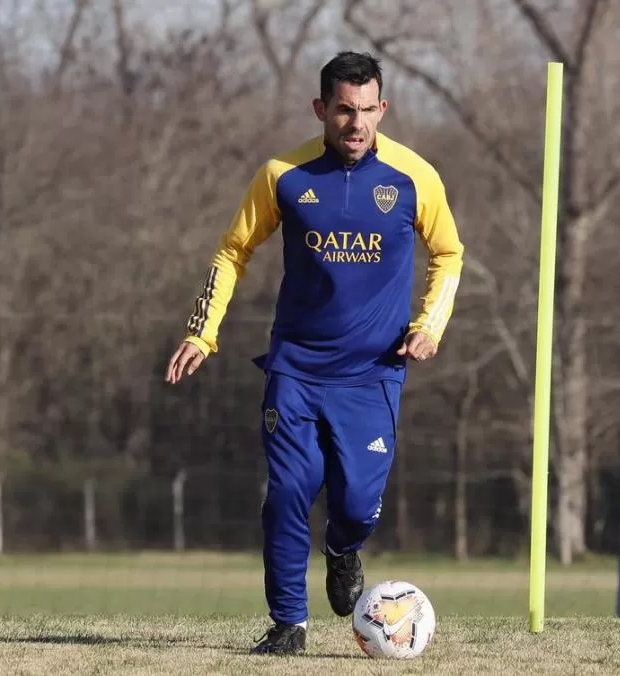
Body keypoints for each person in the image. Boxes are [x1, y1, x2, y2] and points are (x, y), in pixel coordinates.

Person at [163, 51, 464, 655]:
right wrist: (203, 331)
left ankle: (343, 547)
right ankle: (288, 623)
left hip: (374, 373)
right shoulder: (283, 175)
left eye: (368, 111)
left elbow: (449, 255)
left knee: (355, 504)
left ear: (383, 108)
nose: (357, 125)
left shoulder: (414, 178)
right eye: (344, 111)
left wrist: (429, 325)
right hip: (296, 369)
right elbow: (233, 250)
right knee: (289, 492)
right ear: (321, 109)